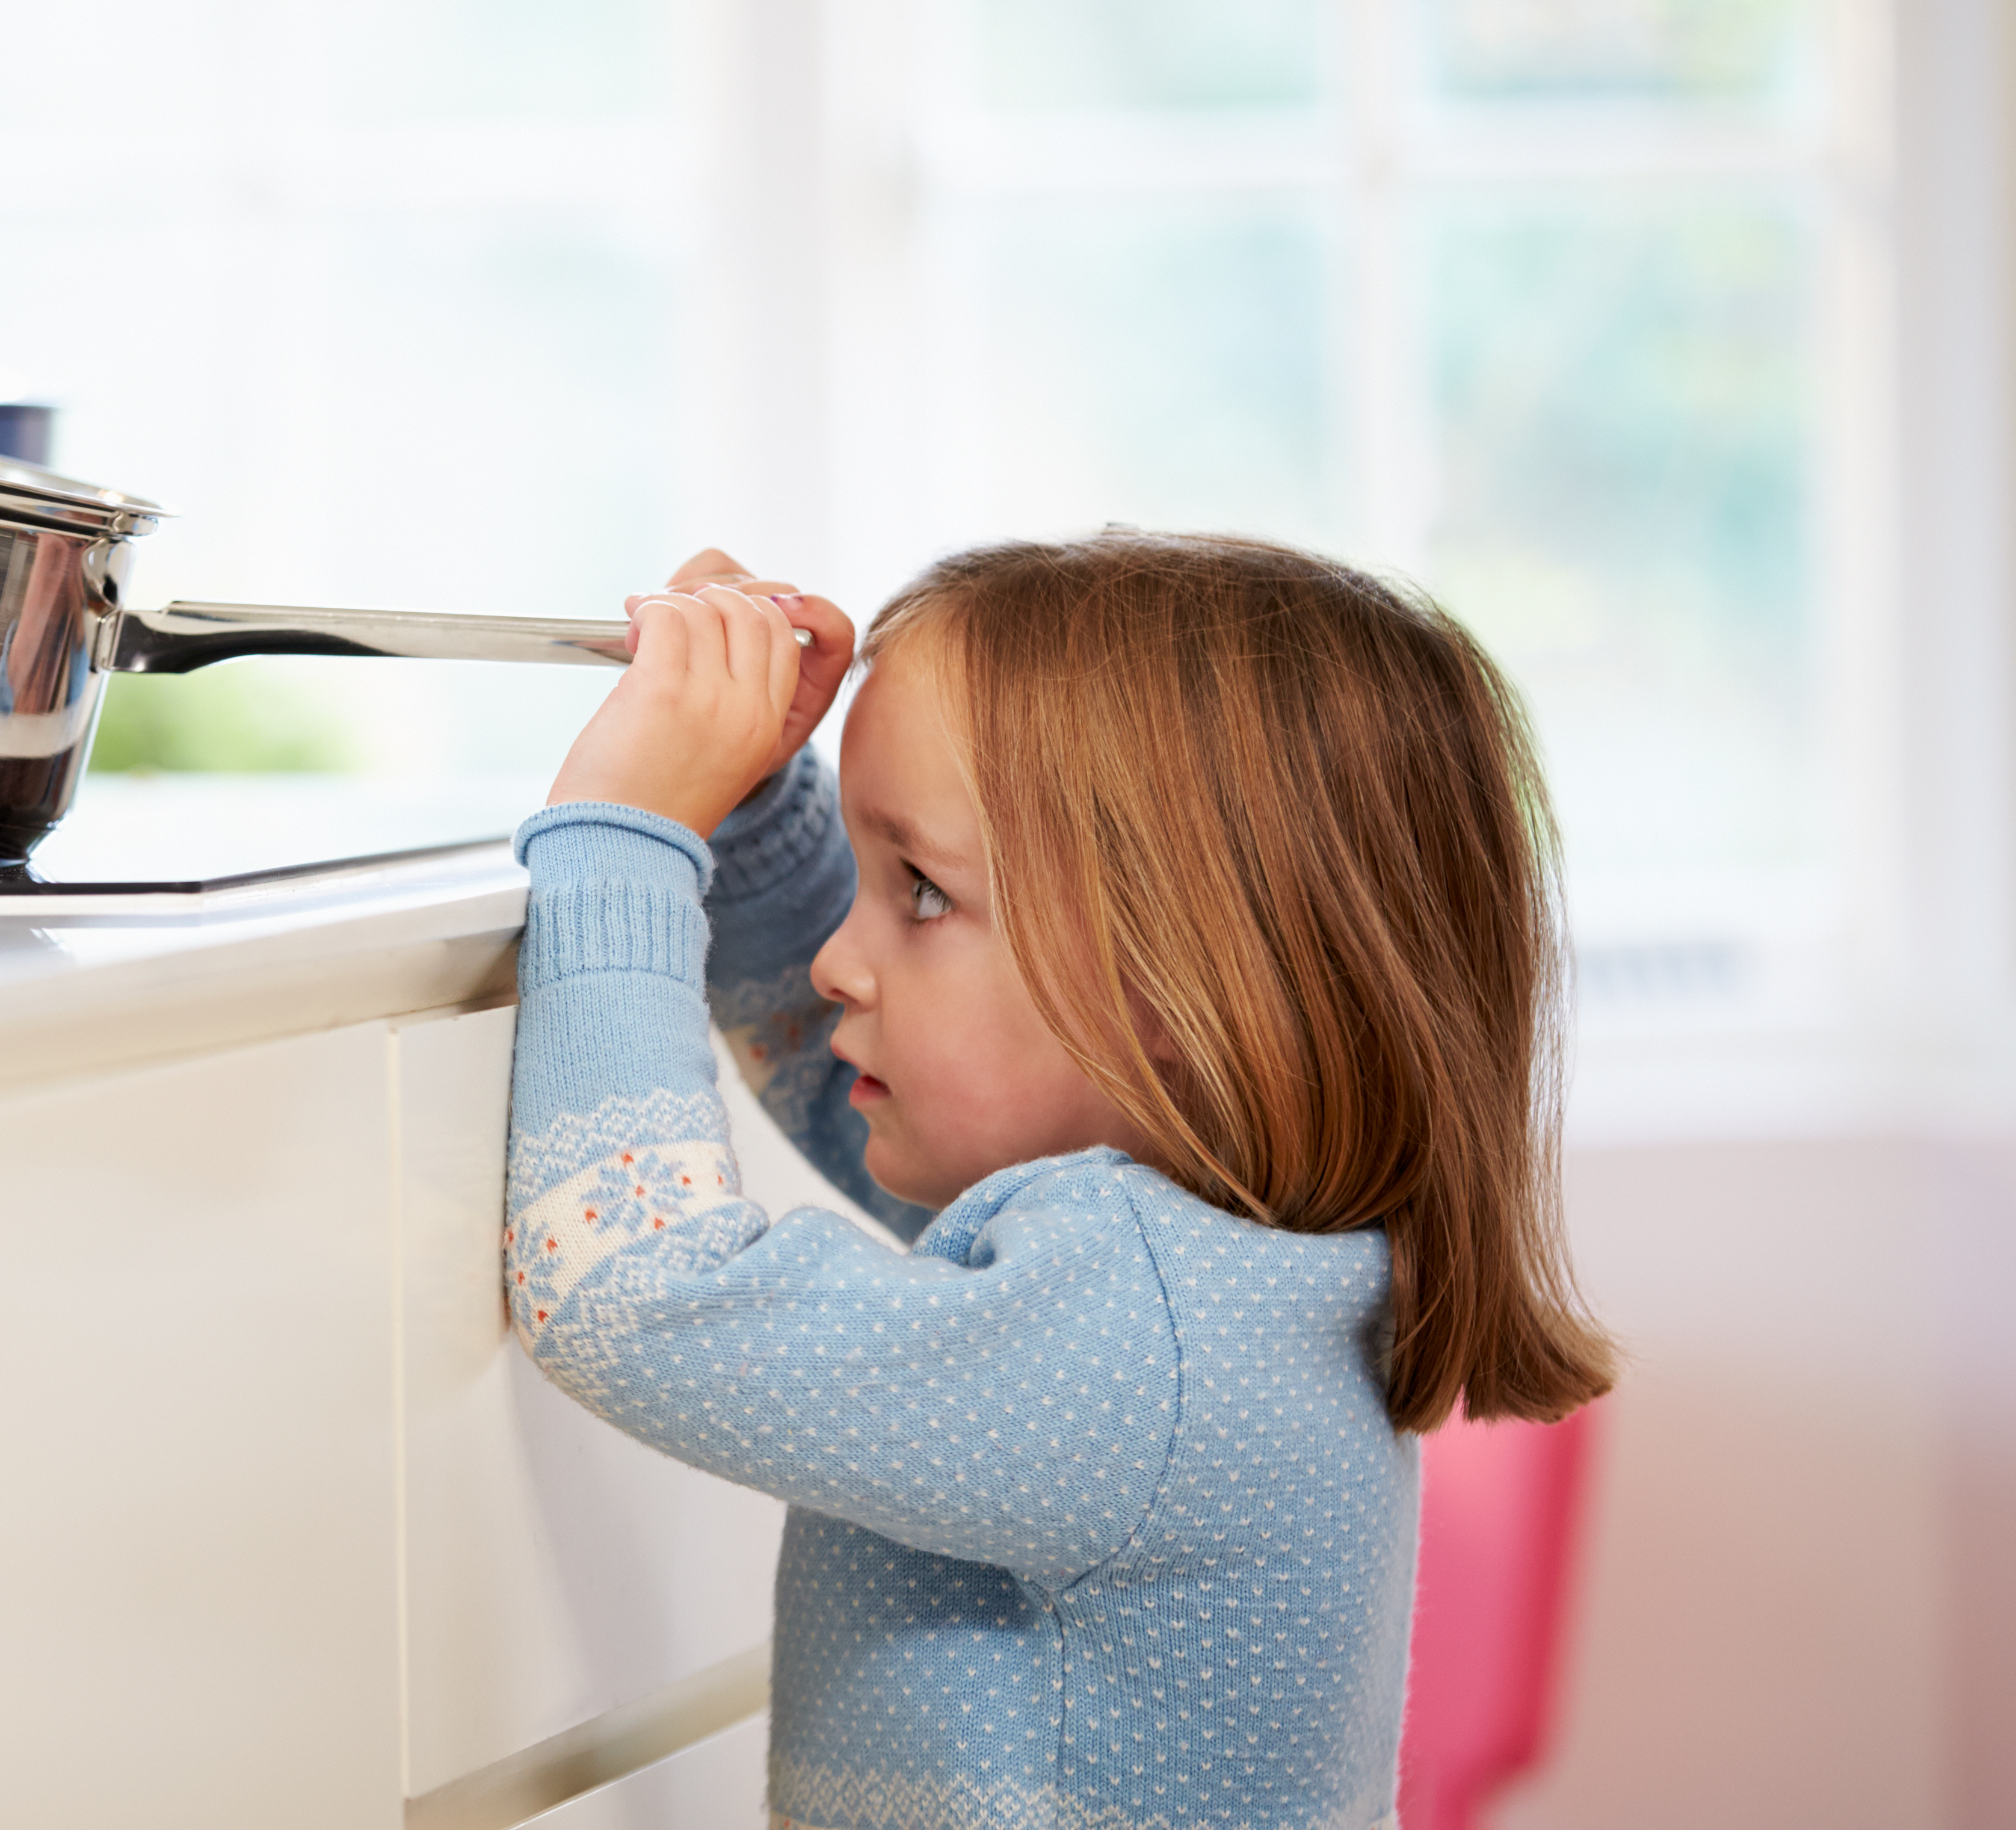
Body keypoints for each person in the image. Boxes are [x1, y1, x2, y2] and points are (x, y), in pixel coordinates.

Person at [507, 532, 1615, 1830]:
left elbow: (626, 1285)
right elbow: (855, 1080)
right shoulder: (1216, 1269)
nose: (838, 965)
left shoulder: (1142, 1344)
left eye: (919, 893)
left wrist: (624, 841)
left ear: (1178, 984)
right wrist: (747, 816)